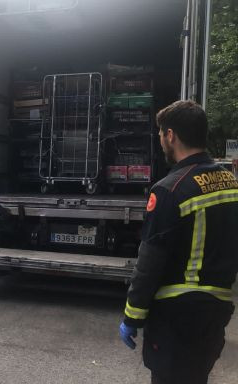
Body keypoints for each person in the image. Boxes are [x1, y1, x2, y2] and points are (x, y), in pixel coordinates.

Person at [119, 100, 238, 384]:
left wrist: (132, 317)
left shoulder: (170, 189)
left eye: (161, 133)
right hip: (216, 310)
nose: (160, 140)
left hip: (177, 316)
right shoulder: (230, 183)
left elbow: (150, 263)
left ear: (171, 135)